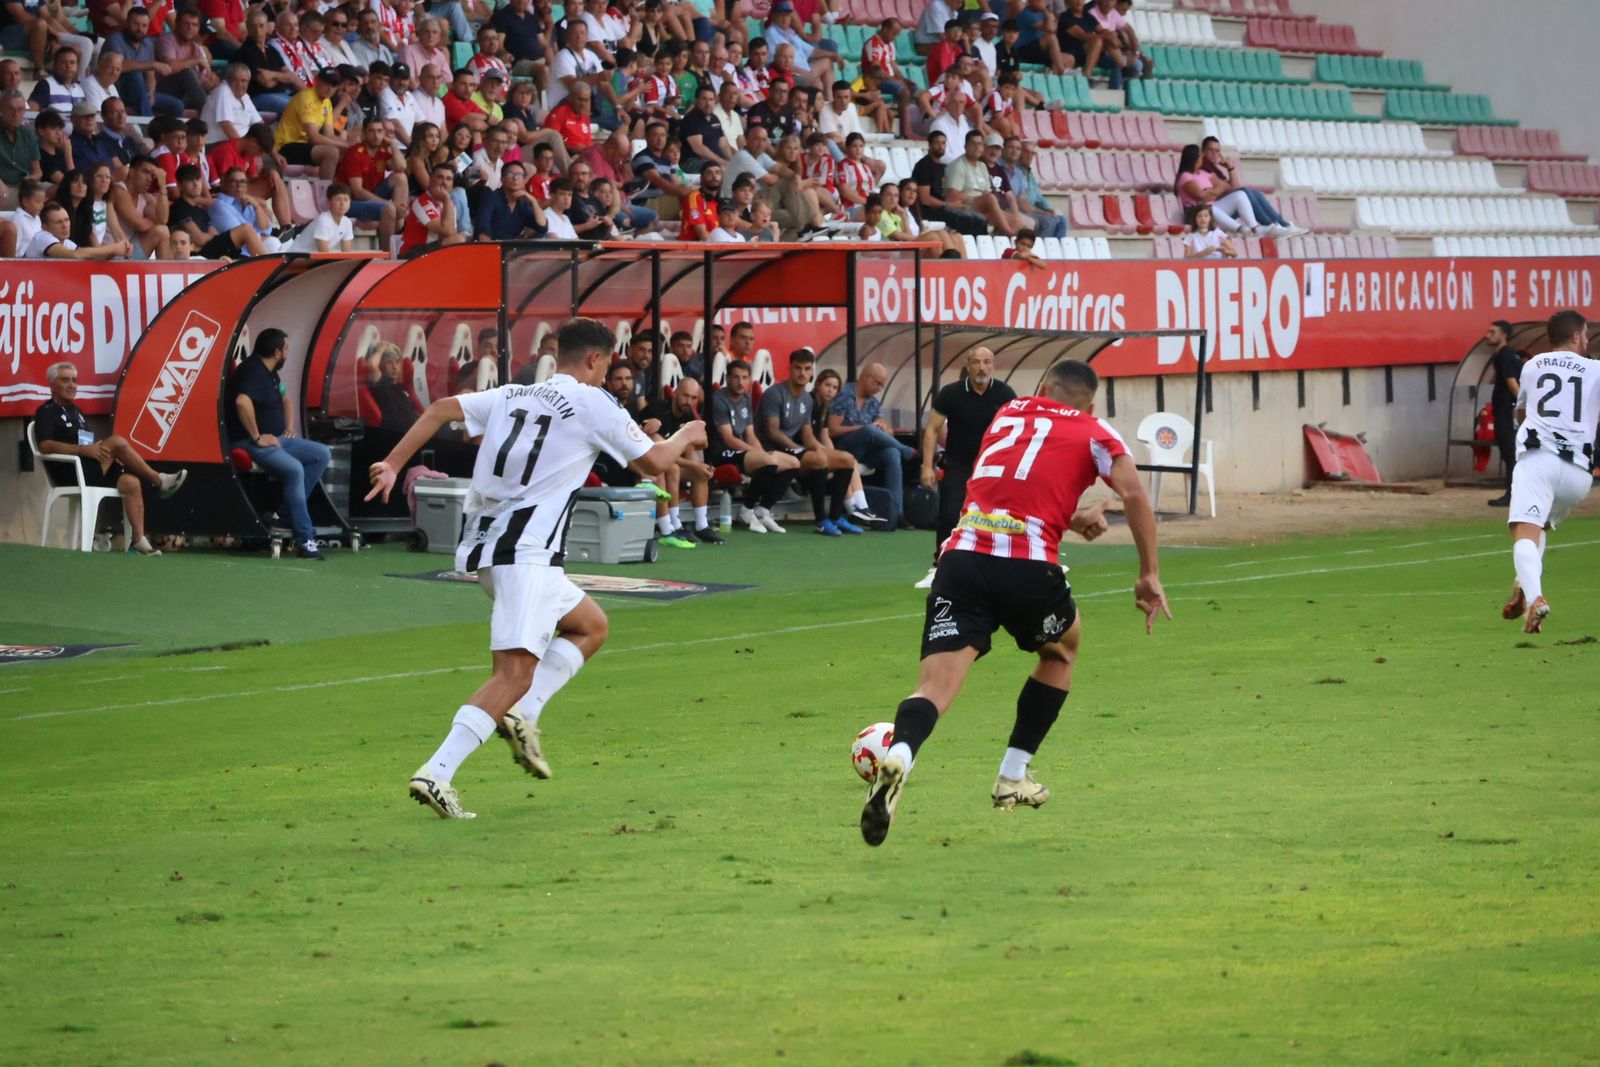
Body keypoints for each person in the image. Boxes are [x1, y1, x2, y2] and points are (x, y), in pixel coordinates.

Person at [365, 317, 708, 819]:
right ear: (594, 359)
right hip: (524, 555)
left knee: (590, 626)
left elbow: (440, 408)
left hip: (497, 552)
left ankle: (526, 713)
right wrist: (686, 435)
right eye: (606, 363)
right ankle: (437, 772)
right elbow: (655, 462)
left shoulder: (513, 394)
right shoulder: (592, 402)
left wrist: (394, 463)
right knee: (512, 674)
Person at [860, 359, 1170, 846]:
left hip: (960, 560)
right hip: (1028, 566)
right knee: (1063, 648)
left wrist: (1068, 518)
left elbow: (1009, 493)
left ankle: (900, 753)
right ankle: (1012, 776)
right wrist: (1148, 573)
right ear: (1089, 403)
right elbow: (1133, 493)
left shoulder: (1006, 414)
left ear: (1042, 387)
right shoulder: (1095, 429)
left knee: (933, 690)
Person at [1500, 310, 1600, 635]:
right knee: (1541, 523)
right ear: (1576, 336)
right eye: (1585, 335)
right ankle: (1523, 581)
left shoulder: (1532, 365)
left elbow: (1522, 412)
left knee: (1524, 531)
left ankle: (1535, 598)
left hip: (1539, 459)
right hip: (1579, 475)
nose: (1586, 340)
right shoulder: (1596, 370)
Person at [32, 360, 187, 555]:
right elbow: (44, 445)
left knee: (131, 483)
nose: (71, 385)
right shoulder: (46, 412)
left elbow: (88, 443)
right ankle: (159, 480)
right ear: (52, 384)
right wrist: (82, 450)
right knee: (117, 442)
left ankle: (139, 541)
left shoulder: (77, 412)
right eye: (65, 380)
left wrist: (102, 453)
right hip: (71, 472)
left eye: (74, 380)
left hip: (91, 468)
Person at [915, 344, 1018, 589]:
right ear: (968, 366)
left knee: (997, 516)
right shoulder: (950, 394)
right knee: (950, 513)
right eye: (976, 362)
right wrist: (926, 466)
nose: (981, 367)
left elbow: (1017, 430)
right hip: (958, 462)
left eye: (986, 362)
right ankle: (940, 567)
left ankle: (999, 564)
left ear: (992, 365)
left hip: (992, 465)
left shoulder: (1005, 394)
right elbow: (931, 430)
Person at [226, 328, 332, 560]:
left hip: (278, 439)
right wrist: (256, 436)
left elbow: (284, 399)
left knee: (321, 454)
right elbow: (242, 402)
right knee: (294, 469)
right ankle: (306, 540)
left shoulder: (270, 372)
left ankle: (283, 516)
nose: (288, 354)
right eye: (286, 350)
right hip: (250, 442)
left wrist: (287, 427)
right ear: (277, 352)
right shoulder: (252, 371)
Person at [759, 348, 860, 536]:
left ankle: (836, 517)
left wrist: (821, 449)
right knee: (818, 461)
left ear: (812, 371)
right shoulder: (775, 393)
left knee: (846, 459)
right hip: (773, 450)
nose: (802, 373)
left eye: (806, 369)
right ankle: (821, 520)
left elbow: (807, 434)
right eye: (798, 368)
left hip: (796, 450)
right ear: (789, 368)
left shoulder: (807, 399)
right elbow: (772, 432)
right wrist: (801, 450)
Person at [711, 358, 800, 534]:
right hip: (722, 453)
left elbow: (750, 435)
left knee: (793, 463)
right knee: (768, 462)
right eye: (736, 377)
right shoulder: (719, 399)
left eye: (744, 377)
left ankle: (763, 510)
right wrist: (761, 455)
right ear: (727, 378)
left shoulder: (745, 399)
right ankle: (746, 509)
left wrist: (762, 452)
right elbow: (728, 439)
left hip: (743, 451)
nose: (740, 382)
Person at [829, 361, 917, 527]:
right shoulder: (844, 394)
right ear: (866, 378)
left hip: (866, 451)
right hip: (843, 448)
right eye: (878, 383)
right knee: (868, 430)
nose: (879, 388)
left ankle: (897, 512)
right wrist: (864, 428)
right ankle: (907, 450)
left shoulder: (874, 403)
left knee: (892, 453)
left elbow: (884, 429)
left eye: (882, 385)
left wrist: (885, 428)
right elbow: (832, 430)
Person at [643, 375, 722, 544]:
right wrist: (694, 465)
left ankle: (702, 526)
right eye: (685, 396)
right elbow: (659, 450)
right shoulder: (657, 410)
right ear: (675, 393)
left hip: (668, 464)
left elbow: (704, 442)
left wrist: (698, 465)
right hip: (644, 467)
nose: (689, 401)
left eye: (693, 398)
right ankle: (673, 524)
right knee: (677, 467)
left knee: (700, 471)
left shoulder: (688, 417)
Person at [1199, 136, 1302, 238]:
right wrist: (1225, 187)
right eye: (1210, 150)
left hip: (1223, 210)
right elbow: (1230, 190)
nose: (1214, 154)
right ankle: (1271, 225)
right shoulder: (1202, 169)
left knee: (1253, 192)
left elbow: (1234, 188)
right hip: (1213, 213)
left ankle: (1281, 224)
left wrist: (1231, 168)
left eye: (1217, 151)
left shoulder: (1216, 170)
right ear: (1203, 151)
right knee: (1244, 191)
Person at [1486, 319, 1522, 508]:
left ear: (1503, 335)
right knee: (1510, 452)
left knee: (1510, 452)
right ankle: (1514, 492)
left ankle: (1513, 493)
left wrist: (1523, 406)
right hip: (1506, 409)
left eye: (1493, 332)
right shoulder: (1506, 355)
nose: (1488, 335)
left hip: (1507, 410)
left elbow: (1512, 382)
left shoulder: (1505, 356)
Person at [289, 179, 355, 251]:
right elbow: (323, 253)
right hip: (297, 255)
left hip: (313, 259)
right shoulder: (323, 220)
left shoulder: (347, 222)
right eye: (338, 199)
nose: (342, 203)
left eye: (346, 200)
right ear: (329, 202)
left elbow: (347, 252)